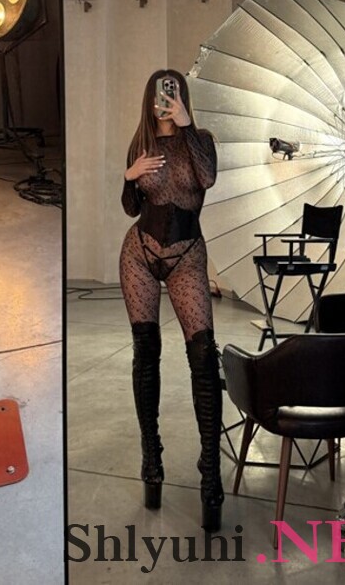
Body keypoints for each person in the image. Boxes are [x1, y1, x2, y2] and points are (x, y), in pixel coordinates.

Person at [119, 69, 223, 532]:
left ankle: (210, 473)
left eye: (174, 91)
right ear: (150, 98)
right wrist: (128, 176)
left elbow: (207, 178)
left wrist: (185, 124)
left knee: (203, 355)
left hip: (186, 255)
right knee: (146, 353)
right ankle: (151, 459)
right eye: (161, 93)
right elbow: (131, 206)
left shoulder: (201, 139)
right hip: (139, 253)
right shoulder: (140, 144)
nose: (166, 99)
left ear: (182, 95)